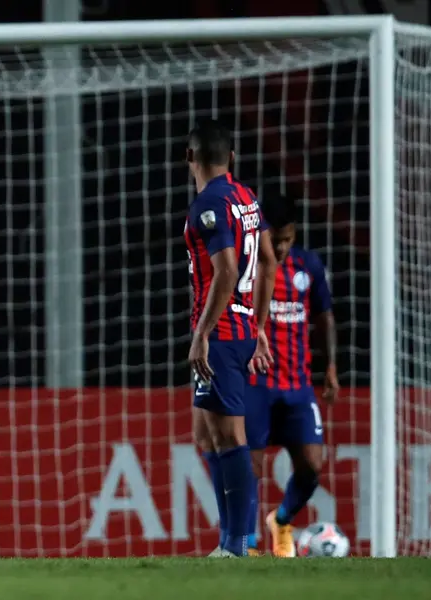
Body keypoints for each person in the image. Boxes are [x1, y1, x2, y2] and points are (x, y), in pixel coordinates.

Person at [182, 119, 276, 557]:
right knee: (205, 434)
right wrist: (257, 327)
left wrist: (202, 333)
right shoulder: (246, 198)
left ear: (190, 158)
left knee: (229, 438)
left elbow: (227, 271)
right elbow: (268, 263)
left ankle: (238, 544)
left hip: (219, 331)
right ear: (231, 158)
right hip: (238, 328)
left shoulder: (209, 203)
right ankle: (229, 540)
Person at [246, 195, 338, 557]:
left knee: (312, 464)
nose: (282, 247)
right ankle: (249, 545)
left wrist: (330, 366)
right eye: (276, 239)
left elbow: (324, 316)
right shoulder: (248, 268)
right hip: (256, 384)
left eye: (288, 238)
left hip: (298, 387)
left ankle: (281, 520)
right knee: (249, 468)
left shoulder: (308, 265)